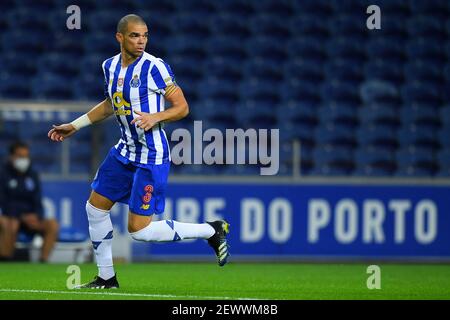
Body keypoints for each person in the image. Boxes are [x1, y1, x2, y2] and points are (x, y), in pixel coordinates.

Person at [48, 14, 230, 289]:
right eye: (135, 35)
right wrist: (75, 125)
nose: (141, 40)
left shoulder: (155, 67)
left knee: (140, 231)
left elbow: (182, 107)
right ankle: (106, 277)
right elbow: (111, 104)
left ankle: (210, 230)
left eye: (145, 35)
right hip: (124, 152)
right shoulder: (109, 66)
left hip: (151, 156)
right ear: (120, 37)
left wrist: (156, 117)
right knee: (95, 208)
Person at [0, 141, 59, 262]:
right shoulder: (3, 173)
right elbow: (4, 201)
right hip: (10, 216)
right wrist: (21, 216)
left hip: (30, 218)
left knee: (52, 225)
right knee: (10, 223)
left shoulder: (33, 175)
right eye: (20, 156)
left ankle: (43, 261)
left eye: (26, 157)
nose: (24, 160)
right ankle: (5, 259)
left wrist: (37, 216)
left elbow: (37, 200)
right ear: (12, 156)